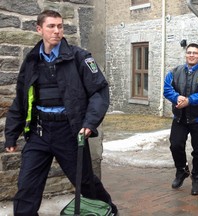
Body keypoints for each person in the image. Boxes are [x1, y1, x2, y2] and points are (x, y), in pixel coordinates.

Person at [4, 10, 118, 215]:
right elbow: (21, 99)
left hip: (69, 131)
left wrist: (89, 123)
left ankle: (107, 210)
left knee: (84, 181)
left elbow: (99, 92)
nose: (57, 31)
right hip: (39, 132)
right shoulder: (31, 61)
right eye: (51, 26)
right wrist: (12, 134)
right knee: (27, 185)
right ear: (39, 29)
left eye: (60, 26)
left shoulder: (79, 57)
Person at [163, 43, 198, 195]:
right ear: (186, 55)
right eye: (189, 52)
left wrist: (189, 100)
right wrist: (176, 97)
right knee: (175, 145)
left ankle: (197, 177)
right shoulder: (174, 71)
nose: (191, 55)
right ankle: (182, 170)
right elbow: (167, 89)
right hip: (180, 118)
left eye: (195, 53)